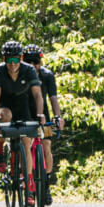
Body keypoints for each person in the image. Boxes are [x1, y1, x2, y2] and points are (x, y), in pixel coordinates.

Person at [0, 40, 46, 183]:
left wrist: (40, 114)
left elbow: (38, 95)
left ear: (21, 58)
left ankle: (28, 181)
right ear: (4, 59)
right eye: (9, 60)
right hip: (5, 103)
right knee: (4, 116)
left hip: (22, 104)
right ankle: (0, 150)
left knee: (26, 142)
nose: (12, 64)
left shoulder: (29, 70)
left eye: (16, 60)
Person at [22, 44, 63, 196]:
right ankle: (27, 179)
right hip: (26, 113)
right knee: (25, 144)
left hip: (43, 114)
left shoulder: (47, 75)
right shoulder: (20, 75)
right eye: (28, 61)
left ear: (41, 62)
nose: (32, 65)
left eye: (36, 62)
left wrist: (57, 116)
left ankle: (45, 182)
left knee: (46, 146)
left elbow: (53, 98)